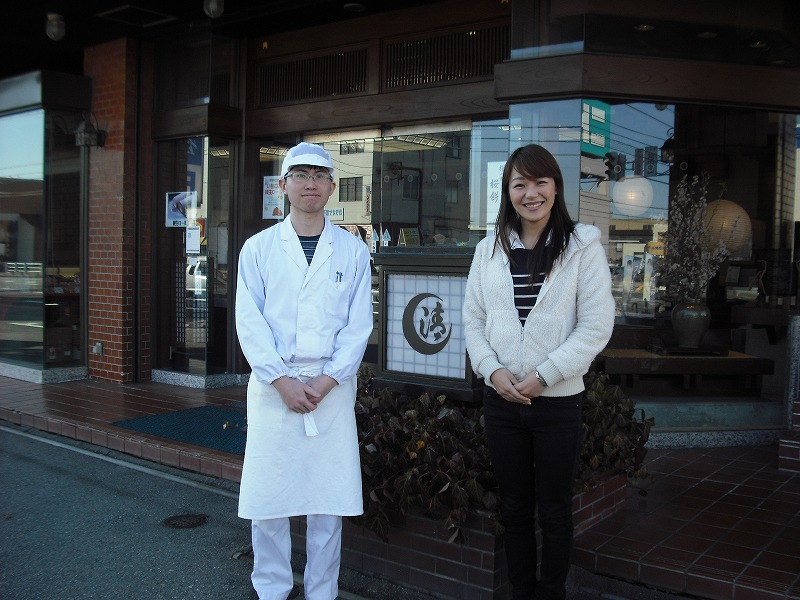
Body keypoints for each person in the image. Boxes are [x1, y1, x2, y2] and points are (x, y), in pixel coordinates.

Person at [463, 144, 615, 600]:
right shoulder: (487, 250)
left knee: (553, 510)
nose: (531, 194)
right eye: (519, 185)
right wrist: (492, 371)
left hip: (558, 404)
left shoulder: (581, 245)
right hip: (502, 403)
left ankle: (551, 594)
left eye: (539, 182)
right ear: (508, 193)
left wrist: (546, 374)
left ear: (555, 187)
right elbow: (472, 319)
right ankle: (522, 592)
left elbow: (595, 325)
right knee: (513, 509)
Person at [235, 142, 373, 600]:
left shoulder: (352, 250)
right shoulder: (258, 249)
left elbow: (358, 325)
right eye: (300, 175)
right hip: (274, 388)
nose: (310, 183)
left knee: (326, 501)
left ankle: (321, 590)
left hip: (330, 389)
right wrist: (280, 380)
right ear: (283, 186)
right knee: (269, 499)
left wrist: (328, 378)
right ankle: (271, 588)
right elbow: (248, 321)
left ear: (332, 186)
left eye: (319, 176)